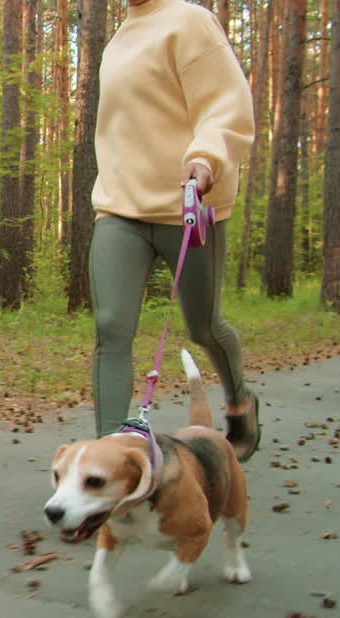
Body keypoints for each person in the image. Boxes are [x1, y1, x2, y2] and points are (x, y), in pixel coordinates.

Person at [89, 0, 259, 458]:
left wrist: (206, 158)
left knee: (203, 326)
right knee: (111, 327)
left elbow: (226, 104)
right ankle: (113, 458)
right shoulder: (120, 37)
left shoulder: (190, 22)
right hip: (121, 207)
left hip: (190, 205)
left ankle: (241, 400)